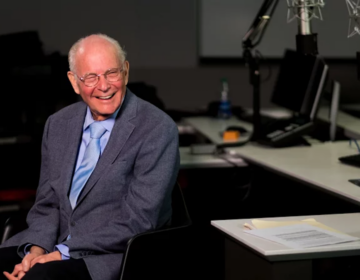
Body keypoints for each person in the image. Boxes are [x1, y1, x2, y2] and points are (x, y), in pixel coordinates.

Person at [0, 34, 179, 280]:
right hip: (51, 242)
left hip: (109, 255)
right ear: (74, 82)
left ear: (125, 71)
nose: (103, 86)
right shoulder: (58, 124)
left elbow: (138, 221)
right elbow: (48, 203)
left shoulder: (157, 128)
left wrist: (60, 253)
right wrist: (36, 250)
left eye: (111, 73)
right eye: (91, 77)